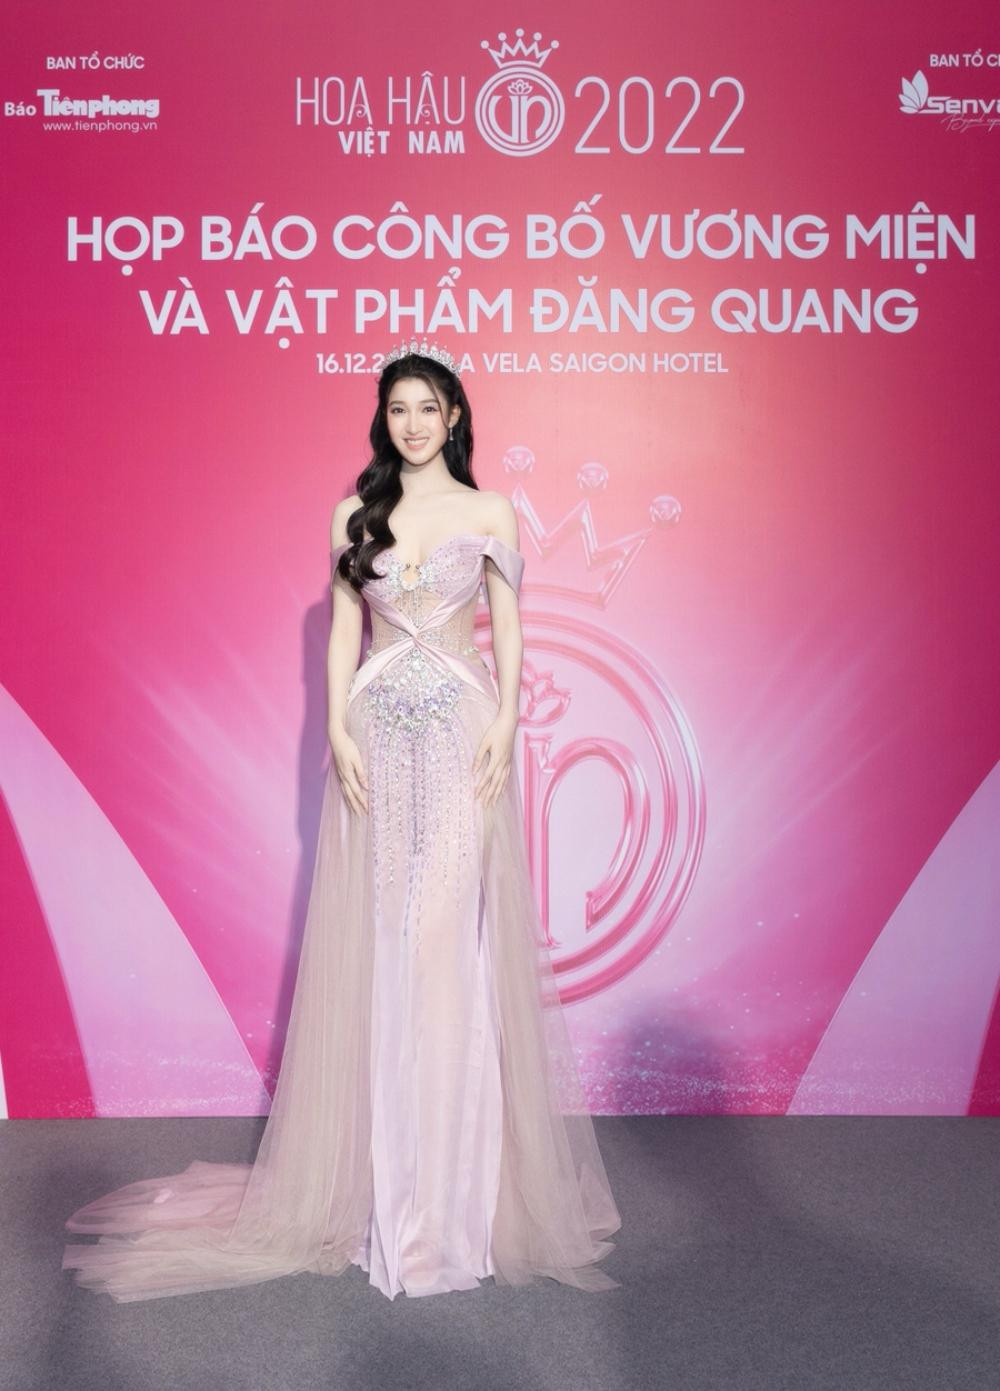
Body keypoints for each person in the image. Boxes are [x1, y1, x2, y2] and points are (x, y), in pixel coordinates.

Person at [62, 339, 622, 1302]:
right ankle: (388, 1194)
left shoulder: (490, 510)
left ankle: (451, 1201)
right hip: (377, 740)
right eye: (398, 408)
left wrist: (505, 721)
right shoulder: (354, 514)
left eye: (428, 407)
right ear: (383, 418)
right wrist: (336, 728)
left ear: (455, 416)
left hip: (463, 736)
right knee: (390, 949)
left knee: (447, 950)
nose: (413, 423)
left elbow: (509, 626)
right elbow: (344, 631)